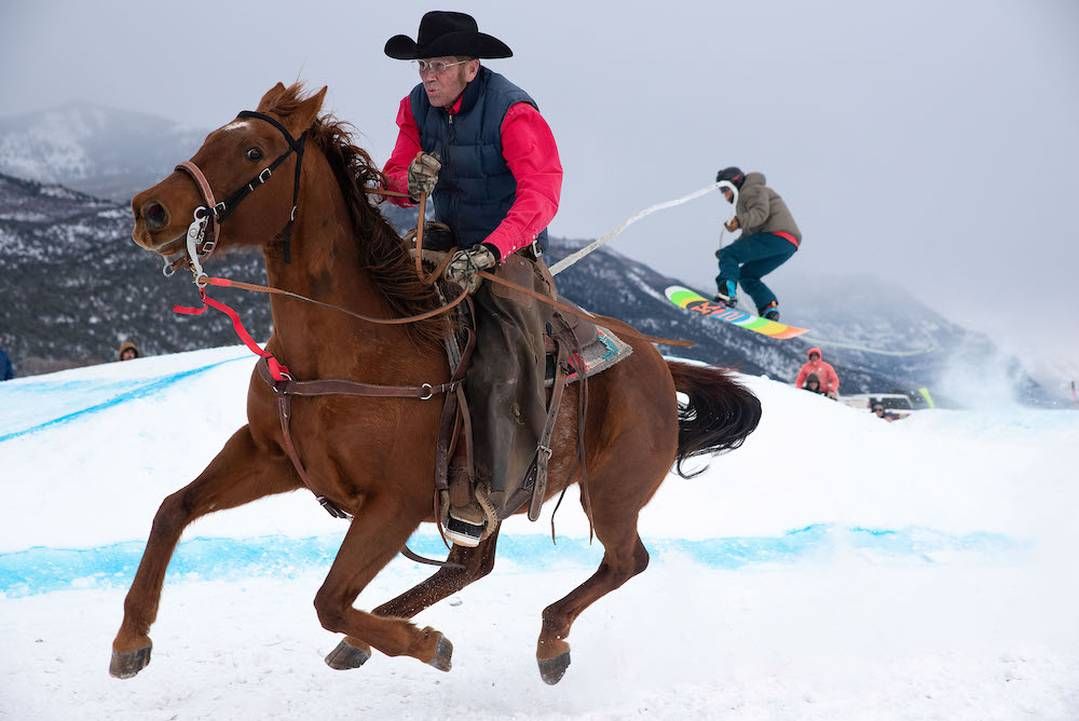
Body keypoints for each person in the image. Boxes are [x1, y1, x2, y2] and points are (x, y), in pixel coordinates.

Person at [382, 11, 563, 546]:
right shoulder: (416, 107)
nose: (427, 76)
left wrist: (490, 250)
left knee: (496, 358)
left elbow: (542, 194)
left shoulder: (513, 111)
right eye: (422, 66)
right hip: (444, 238)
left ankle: (484, 489)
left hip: (509, 248)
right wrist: (406, 181)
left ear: (470, 66)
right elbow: (395, 180)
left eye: (438, 65)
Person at [713, 167, 801, 321]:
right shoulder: (750, 195)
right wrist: (730, 250)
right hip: (787, 244)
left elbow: (760, 213)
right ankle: (768, 308)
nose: (724, 195)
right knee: (747, 276)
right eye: (721, 191)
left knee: (730, 254)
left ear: (735, 183)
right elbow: (750, 235)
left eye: (725, 189)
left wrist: (739, 222)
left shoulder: (751, 190)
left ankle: (726, 294)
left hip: (775, 236)